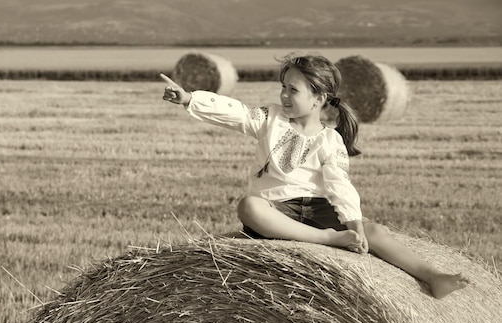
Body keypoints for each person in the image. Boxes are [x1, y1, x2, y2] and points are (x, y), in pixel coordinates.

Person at [160, 52, 470, 299]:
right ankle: (327, 240)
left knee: (375, 231)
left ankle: (432, 276)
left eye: (292, 90)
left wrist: (355, 226)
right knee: (249, 206)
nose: (283, 95)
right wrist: (190, 99)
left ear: (319, 98)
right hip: (277, 211)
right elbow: (236, 112)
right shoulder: (270, 120)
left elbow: (340, 186)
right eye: (283, 87)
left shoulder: (329, 139)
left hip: (318, 209)